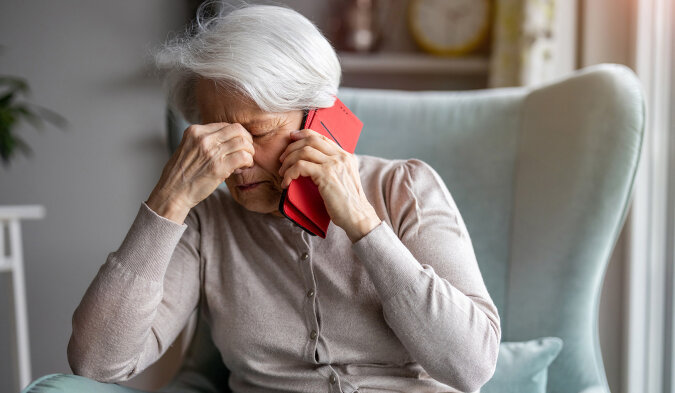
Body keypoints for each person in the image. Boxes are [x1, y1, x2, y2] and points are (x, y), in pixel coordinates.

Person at [67, 3, 501, 393]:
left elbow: (471, 366)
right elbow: (98, 364)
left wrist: (363, 225)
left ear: (319, 117)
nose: (237, 162)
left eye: (258, 132)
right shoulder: (205, 223)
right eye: (218, 137)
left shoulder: (405, 187)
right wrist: (167, 202)